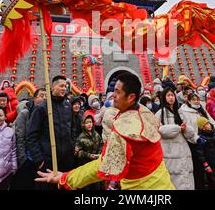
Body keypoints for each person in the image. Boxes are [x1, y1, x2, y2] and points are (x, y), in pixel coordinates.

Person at [35, 72, 174, 190]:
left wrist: (65, 178)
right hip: (163, 182)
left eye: (118, 92)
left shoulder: (125, 130)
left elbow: (103, 166)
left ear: (131, 97)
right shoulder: (144, 112)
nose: (113, 95)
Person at [27, 75, 77, 190]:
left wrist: (72, 145)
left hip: (67, 160)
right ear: (53, 87)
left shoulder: (68, 106)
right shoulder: (42, 108)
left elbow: (73, 128)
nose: (64, 88)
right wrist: (39, 160)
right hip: (48, 161)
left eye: (66, 86)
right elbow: (31, 135)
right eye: (61, 86)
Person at [179, 92, 215, 190]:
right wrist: (196, 138)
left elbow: (211, 122)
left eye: (197, 99)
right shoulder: (183, 111)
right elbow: (187, 127)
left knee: (212, 169)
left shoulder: (201, 109)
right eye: (193, 99)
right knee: (199, 170)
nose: (196, 101)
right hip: (195, 143)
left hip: (209, 142)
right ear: (189, 101)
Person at [155, 87, 195, 190]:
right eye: (168, 95)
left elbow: (190, 132)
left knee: (186, 176)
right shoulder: (160, 113)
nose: (171, 98)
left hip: (183, 149)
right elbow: (159, 130)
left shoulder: (180, 112)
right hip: (169, 151)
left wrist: (186, 129)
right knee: (173, 177)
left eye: (172, 95)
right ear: (164, 98)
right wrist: (178, 128)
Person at [11, 88, 46, 190]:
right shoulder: (25, 114)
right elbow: (19, 137)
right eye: (41, 95)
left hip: (41, 158)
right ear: (34, 99)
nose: (44, 98)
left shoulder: (47, 114)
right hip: (28, 159)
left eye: (46, 96)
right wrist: (23, 159)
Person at [74, 115, 103, 190]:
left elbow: (101, 144)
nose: (89, 124)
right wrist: (89, 155)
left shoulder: (96, 134)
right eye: (87, 123)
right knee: (86, 186)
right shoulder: (80, 137)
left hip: (95, 164)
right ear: (83, 125)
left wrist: (99, 153)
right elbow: (78, 153)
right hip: (85, 165)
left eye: (90, 122)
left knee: (96, 185)